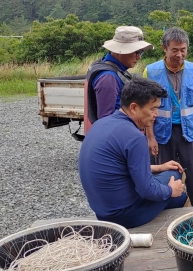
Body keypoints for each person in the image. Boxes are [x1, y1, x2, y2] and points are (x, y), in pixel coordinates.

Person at [79, 76, 187, 229]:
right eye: (152, 109)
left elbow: (119, 167)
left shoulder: (101, 124)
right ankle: (177, 228)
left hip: (103, 212)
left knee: (169, 178)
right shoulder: (134, 137)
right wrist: (170, 190)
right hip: (124, 216)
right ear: (134, 108)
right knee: (175, 177)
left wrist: (158, 167)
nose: (156, 114)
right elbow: (147, 190)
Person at [143, 27, 193, 206]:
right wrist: (150, 137)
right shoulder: (150, 71)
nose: (179, 54)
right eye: (175, 50)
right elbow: (146, 109)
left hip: (190, 132)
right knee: (166, 176)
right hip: (162, 133)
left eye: (183, 50)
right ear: (164, 48)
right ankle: (167, 213)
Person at [84, 26, 153, 132]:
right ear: (121, 50)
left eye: (141, 52)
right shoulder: (108, 78)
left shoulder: (106, 66)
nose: (139, 57)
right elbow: (106, 122)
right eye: (137, 52)